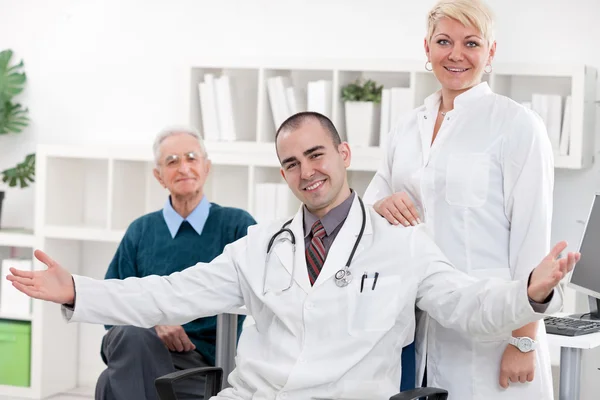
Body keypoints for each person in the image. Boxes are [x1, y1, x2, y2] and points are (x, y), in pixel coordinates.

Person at [8, 112, 577, 400]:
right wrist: (77, 290)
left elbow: (466, 302)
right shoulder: (260, 245)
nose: (308, 172)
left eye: (317, 155)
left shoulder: (400, 245)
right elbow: (169, 291)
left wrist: (529, 292)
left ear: (344, 153)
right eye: (291, 164)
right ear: (283, 173)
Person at [364, 1, 556, 399]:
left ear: (490, 53)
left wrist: (523, 341)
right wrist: (383, 204)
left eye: (471, 42)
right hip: (418, 326)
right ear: (427, 48)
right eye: (443, 41)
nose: (456, 54)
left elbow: (532, 237)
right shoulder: (405, 127)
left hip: (492, 335)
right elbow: (372, 199)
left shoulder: (516, 125)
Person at [95, 126, 256, 400]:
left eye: (191, 158)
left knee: (109, 383)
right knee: (132, 334)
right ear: (159, 176)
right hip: (137, 347)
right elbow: (112, 304)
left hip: (199, 359)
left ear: (206, 167)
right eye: (172, 161)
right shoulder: (141, 230)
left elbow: (258, 290)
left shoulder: (236, 225)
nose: (183, 168)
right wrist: (156, 323)